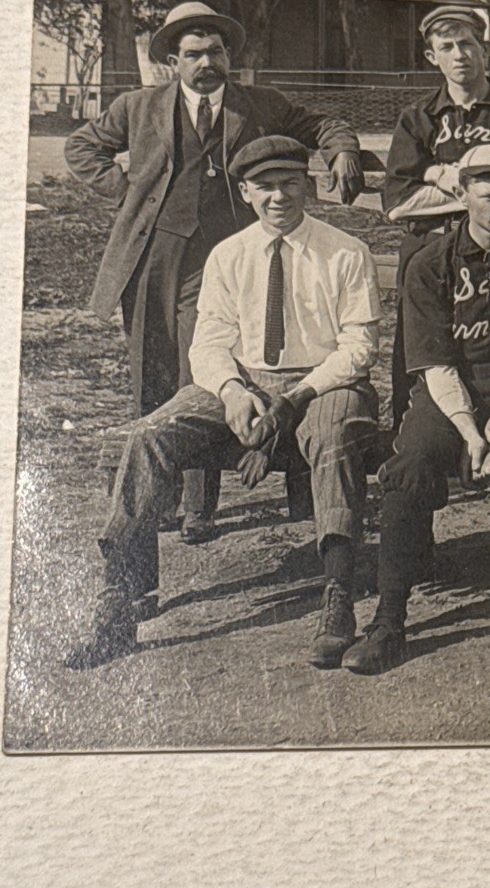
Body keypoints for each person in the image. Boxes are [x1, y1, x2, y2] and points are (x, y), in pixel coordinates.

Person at [63, 137, 382, 671]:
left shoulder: (346, 252)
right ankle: (122, 599)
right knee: (148, 435)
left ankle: (338, 593)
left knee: (335, 434)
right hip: (244, 381)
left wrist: (297, 398)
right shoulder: (228, 255)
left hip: (324, 382)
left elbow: (358, 349)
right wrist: (234, 392)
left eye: (290, 183)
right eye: (265, 187)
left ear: (309, 185)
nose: (278, 196)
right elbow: (208, 343)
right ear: (245, 191)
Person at [65, 1, 364, 544]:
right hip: (156, 255)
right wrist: (128, 193)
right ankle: (159, 498)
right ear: (172, 62)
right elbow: (81, 147)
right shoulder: (139, 106)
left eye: (216, 52)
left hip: (226, 256)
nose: (207, 62)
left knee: (200, 371)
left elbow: (325, 123)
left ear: (229, 56)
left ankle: (199, 508)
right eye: (194, 54)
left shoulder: (259, 104)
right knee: (152, 372)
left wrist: (342, 150)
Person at [338, 145, 490, 674]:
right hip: (452, 399)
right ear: (462, 194)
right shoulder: (429, 264)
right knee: (412, 459)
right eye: (489, 196)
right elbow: (434, 364)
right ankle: (389, 620)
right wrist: (471, 433)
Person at [382, 4, 490, 425]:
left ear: (485, 50)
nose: (459, 55)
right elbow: (398, 203)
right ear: (431, 56)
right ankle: (414, 437)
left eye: (468, 44)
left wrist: (434, 172)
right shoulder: (418, 117)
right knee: (420, 347)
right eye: (447, 46)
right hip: (428, 250)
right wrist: (473, 184)